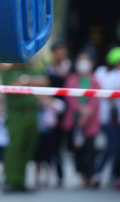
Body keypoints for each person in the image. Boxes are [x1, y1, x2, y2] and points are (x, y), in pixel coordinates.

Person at [1, 63, 48, 192]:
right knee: (15, 148)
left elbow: (44, 82)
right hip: (17, 115)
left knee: (28, 148)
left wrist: (25, 80)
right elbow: (12, 89)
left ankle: (20, 180)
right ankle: (11, 180)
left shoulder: (31, 69)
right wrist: (30, 82)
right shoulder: (7, 72)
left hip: (32, 114)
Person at [92, 47, 120, 188]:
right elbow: (113, 92)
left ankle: (110, 175)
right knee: (114, 147)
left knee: (118, 148)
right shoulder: (103, 73)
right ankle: (103, 173)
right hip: (107, 117)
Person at [61, 52, 100, 187]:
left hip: (90, 121)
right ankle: (82, 175)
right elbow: (69, 97)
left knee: (91, 149)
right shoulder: (71, 79)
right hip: (75, 120)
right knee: (77, 150)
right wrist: (80, 109)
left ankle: (91, 174)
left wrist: (87, 111)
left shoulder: (95, 79)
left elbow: (96, 98)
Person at [44, 42, 70, 187]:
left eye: (62, 50)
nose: (60, 53)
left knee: (59, 144)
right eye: (57, 51)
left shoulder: (68, 66)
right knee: (48, 144)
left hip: (64, 109)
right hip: (49, 108)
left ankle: (60, 176)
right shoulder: (48, 67)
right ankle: (47, 176)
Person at [34, 95, 65, 188]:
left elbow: (61, 108)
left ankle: (47, 179)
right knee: (37, 158)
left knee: (49, 157)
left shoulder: (54, 102)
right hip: (38, 132)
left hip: (51, 132)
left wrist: (49, 102)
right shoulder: (37, 101)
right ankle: (37, 179)